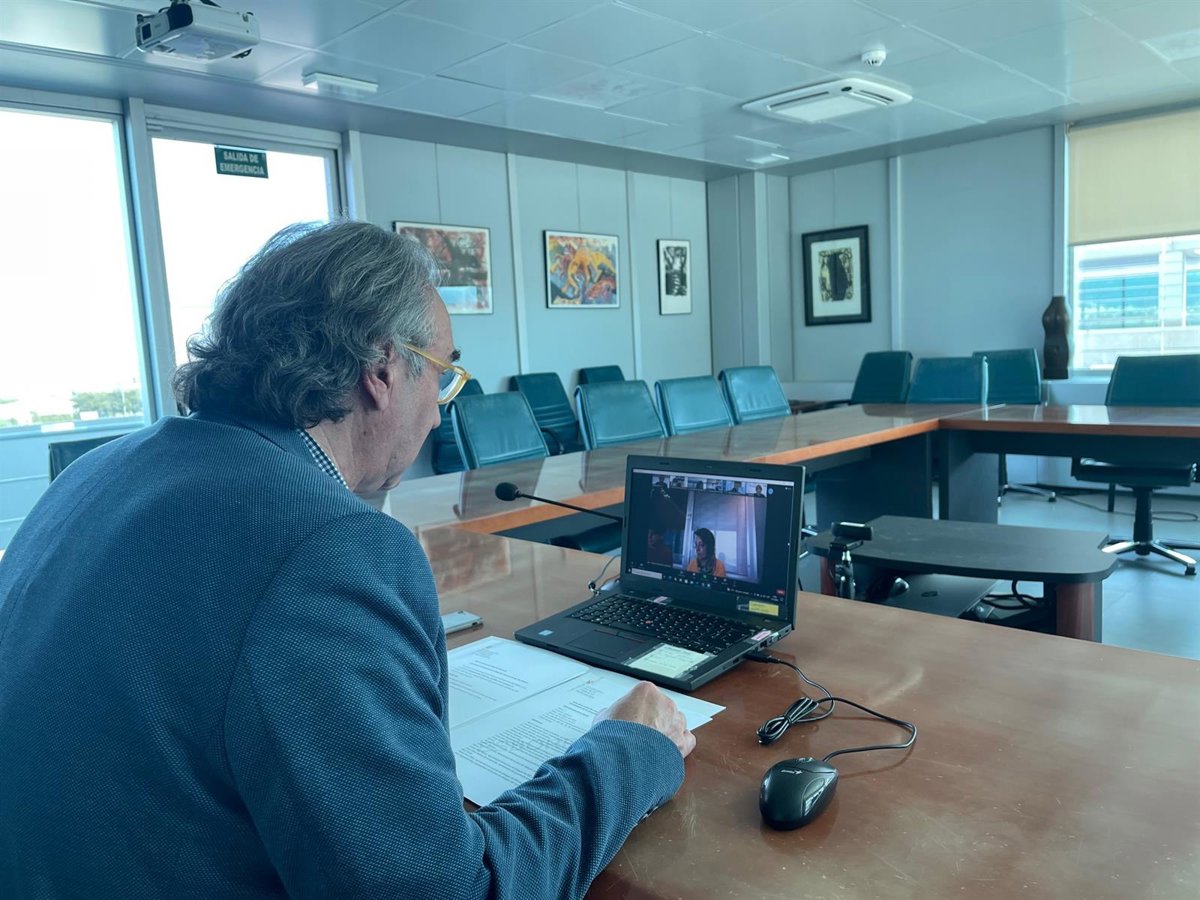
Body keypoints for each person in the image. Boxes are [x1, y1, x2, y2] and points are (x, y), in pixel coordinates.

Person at [0, 221, 694, 898]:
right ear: (383, 369)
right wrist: (626, 750)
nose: (438, 414)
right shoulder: (328, 546)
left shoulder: (92, 473)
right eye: (442, 376)